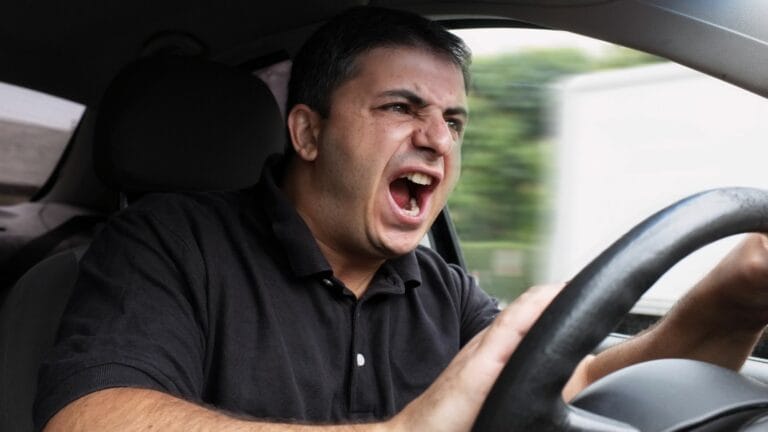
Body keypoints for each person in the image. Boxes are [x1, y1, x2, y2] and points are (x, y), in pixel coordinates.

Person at [35, 6, 768, 431]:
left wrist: (728, 306)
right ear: (308, 133)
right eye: (400, 108)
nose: (437, 139)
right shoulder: (170, 241)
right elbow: (89, 418)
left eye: (453, 120)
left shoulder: (441, 288)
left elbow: (577, 383)